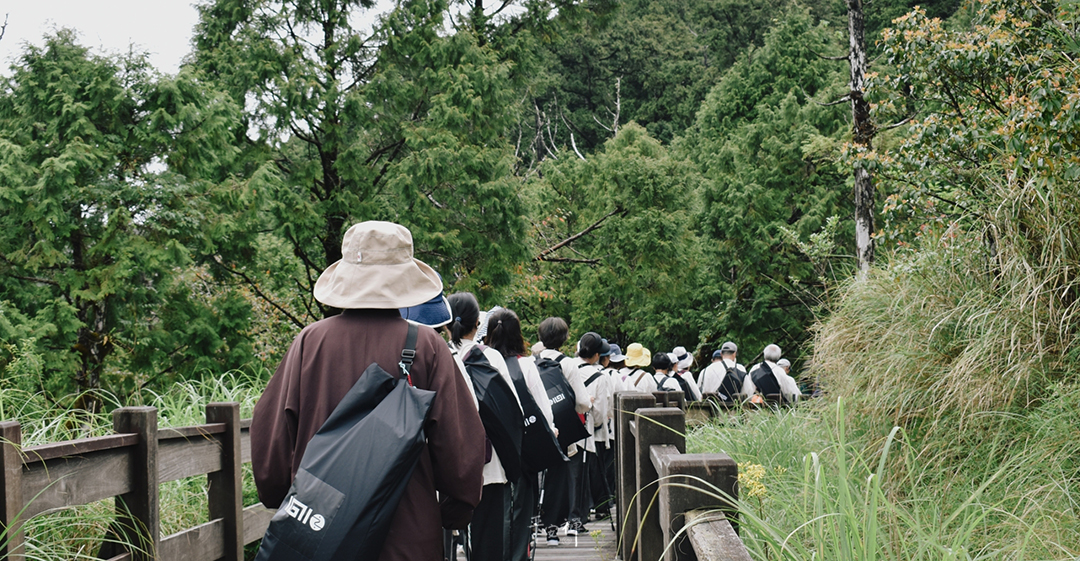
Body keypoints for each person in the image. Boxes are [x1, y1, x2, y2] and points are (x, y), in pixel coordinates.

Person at [251, 221, 485, 561]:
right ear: (404, 279)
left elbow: (270, 442)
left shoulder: (309, 344)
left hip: (320, 534)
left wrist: (286, 499)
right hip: (407, 539)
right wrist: (453, 513)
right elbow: (460, 448)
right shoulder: (427, 346)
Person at [447, 293, 524, 561]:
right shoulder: (490, 357)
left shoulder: (438, 354)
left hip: (448, 466)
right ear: (478, 323)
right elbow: (513, 409)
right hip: (489, 465)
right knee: (489, 543)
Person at [484, 307, 556, 561]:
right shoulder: (525, 366)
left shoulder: (480, 363)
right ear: (518, 335)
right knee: (521, 509)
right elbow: (544, 411)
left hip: (487, 454)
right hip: (521, 451)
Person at [533, 317, 591, 546]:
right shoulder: (568, 364)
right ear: (565, 338)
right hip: (562, 429)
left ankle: (532, 522)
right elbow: (582, 402)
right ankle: (552, 529)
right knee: (558, 477)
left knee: (536, 474)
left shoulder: (530, 362)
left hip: (537, 428)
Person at [570, 332, 611, 533]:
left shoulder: (566, 367)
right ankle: (579, 516)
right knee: (583, 474)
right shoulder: (600, 378)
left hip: (563, 428)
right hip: (586, 432)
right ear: (596, 355)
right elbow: (601, 413)